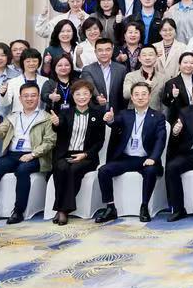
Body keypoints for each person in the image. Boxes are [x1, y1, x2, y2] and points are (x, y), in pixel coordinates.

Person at [0, 82, 56, 225]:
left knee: (22, 170)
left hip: (36, 156)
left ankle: (18, 211)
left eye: (33, 95)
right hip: (12, 154)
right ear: (20, 98)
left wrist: (32, 154)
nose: (29, 99)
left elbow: (49, 142)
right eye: (26, 96)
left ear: (38, 97)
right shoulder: (12, 117)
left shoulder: (46, 117)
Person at [94, 82, 167, 223]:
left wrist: (153, 158)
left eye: (144, 94)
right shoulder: (124, 114)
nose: (140, 97)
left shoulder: (158, 117)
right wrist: (110, 120)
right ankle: (110, 207)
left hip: (146, 159)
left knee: (151, 171)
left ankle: (144, 207)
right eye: (136, 94)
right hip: (126, 159)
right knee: (103, 171)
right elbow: (115, 123)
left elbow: (160, 140)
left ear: (149, 96)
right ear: (132, 98)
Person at [48, 79, 107, 225]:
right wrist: (56, 124)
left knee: (74, 170)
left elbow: (99, 141)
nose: (82, 97)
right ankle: (63, 209)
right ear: (73, 96)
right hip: (65, 153)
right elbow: (59, 128)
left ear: (90, 95)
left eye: (85, 94)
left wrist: (85, 154)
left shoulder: (98, 114)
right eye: (78, 94)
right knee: (61, 168)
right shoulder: (65, 112)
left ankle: (62, 210)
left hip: (86, 155)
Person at [81, 38, 128, 111]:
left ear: (112, 51)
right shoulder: (88, 69)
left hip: (117, 110)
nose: (104, 53)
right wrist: (97, 96)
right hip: (95, 110)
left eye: (108, 50)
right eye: (100, 50)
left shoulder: (121, 69)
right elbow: (90, 85)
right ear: (95, 52)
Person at [122, 45, 167, 111]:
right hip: (135, 114)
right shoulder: (131, 76)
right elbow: (126, 95)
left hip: (155, 114)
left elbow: (164, 101)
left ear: (156, 57)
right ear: (139, 58)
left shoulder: (162, 78)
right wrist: (143, 84)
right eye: (144, 55)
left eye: (150, 55)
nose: (147, 58)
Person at [2, 48, 44, 114]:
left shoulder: (45, 81)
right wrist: (3, 94)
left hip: (39, 117)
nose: (31, 63)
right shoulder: (13, 82)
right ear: (22, 62)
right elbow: (5, 103)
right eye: (28, 61)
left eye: (34, 61)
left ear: (39, 62)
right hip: (18, 117)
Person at [162, 52, 193, 123]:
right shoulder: (171, 83)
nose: (188, 65)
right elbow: (166, 102)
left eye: (192, 63)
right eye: (185, 62)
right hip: (178, 119)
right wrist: (172, 95)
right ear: (179, 64)